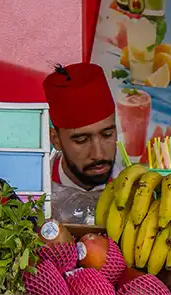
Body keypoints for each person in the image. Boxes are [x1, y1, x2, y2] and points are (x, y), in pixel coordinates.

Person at [43, 62, 124, 224]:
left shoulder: (134, 193)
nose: (99, 154)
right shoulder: (38, 194)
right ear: (56, 140)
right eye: (81, 140)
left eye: (107, 135)